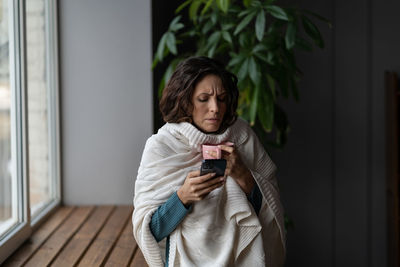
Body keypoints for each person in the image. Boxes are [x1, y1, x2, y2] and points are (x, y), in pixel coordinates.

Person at [132, 56, 285, 267]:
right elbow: (151, 232)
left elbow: (270, 212)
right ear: (184, 100)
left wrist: (244, 177)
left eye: (221, 98)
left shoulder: (242, 136)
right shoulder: (162, 146)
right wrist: (182, 198)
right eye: (204, 99)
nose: (215, 108)